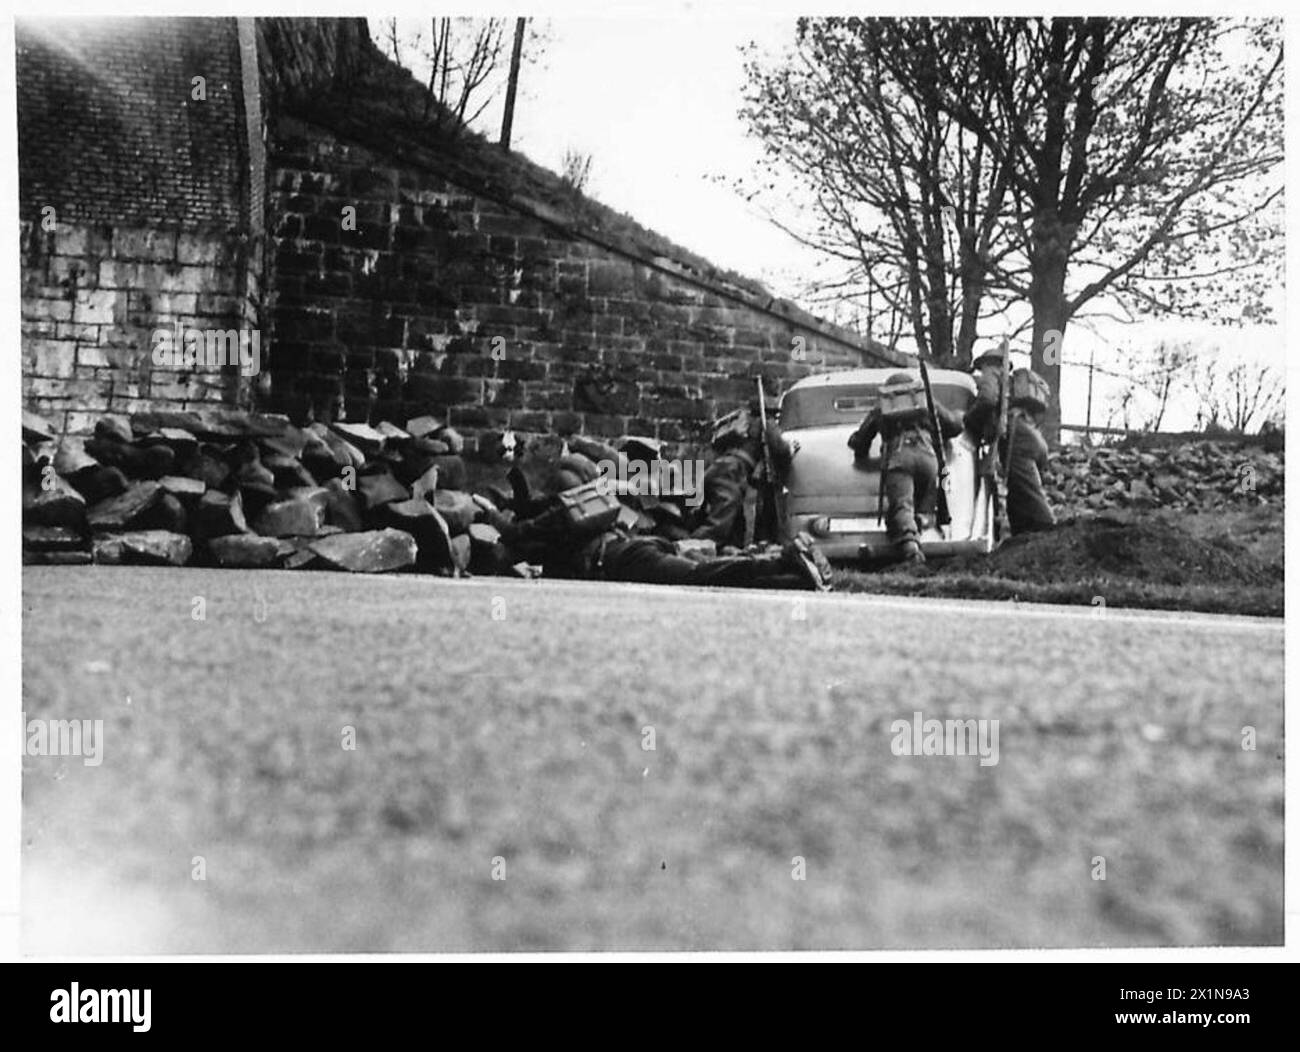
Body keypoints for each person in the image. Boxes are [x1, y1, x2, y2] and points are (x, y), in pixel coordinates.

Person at [486, 451, 832, 591]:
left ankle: (781, 559)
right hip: (636, 548)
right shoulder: (582, 512)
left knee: (700, 576)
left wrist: (491, 515)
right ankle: (794, 577)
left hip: (627, 558)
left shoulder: (557, 524)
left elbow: (516, 535)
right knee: (707, 574)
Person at [847, 371, 965, 564]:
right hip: (929, 460)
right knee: (922, 509)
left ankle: (911, 552)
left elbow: (861, 442)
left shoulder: (883, 407)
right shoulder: (926, 402)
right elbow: (953, 426)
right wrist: (961, 416)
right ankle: (921, 545)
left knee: (902, 505)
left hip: (900, 459)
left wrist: (855, 444)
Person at [691, 402, 793, 548]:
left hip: (718, 467)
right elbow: (780, 448)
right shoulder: (766, 422)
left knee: (735, 522)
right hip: (734, 471)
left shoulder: (740, 421)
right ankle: (688, 548)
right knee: (720, 524)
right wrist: (791, 450)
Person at [1004, 368, 1056, 534]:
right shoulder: (1025, 427)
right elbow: (1042, 455)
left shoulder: (1016, 424)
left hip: (1028, 509)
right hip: (1031, 509)